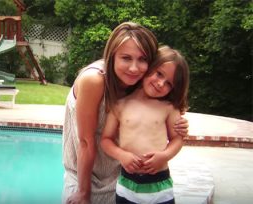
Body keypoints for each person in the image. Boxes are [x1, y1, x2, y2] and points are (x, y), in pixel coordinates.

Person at [62, 22, 189, 204]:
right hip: (85, 175)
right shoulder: (95, 80)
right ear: (112, 56)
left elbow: (158, 116)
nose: (134, 68)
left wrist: (180, 126)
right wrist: (83, 192)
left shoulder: (140, 82)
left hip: (124, 177)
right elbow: (85, 142)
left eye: (142, 59)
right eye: (126, 58)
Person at [100, 45, 189, 204]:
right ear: (149, 67)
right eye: (159, 74)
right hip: (127, 183)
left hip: (159, 185)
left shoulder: (168, 107)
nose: (161, 83)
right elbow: (106, 140)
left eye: (169, 83)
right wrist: (122, 155)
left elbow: (178, 139)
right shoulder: (120, 105)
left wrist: (164, 156)